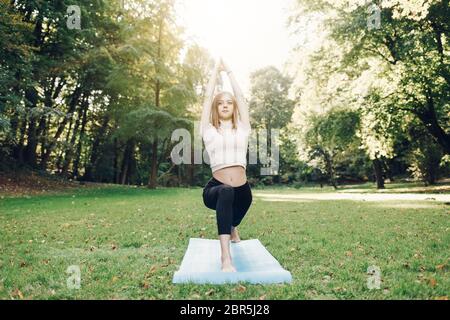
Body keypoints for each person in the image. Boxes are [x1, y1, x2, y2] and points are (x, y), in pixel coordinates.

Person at [200, 58, 253, 272]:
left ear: (234, 107)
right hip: (216, 189)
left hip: (242, 190)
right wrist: (215, 70)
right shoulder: (208, 129)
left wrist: (229, 71)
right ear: (216, 107)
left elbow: (241, 97)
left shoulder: (243, 128)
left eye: (228, 102)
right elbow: (206, 98)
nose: (225, 105)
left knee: (245, 198)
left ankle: (233, 227)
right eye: (220, 102)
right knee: (226, 192)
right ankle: (225, 259)